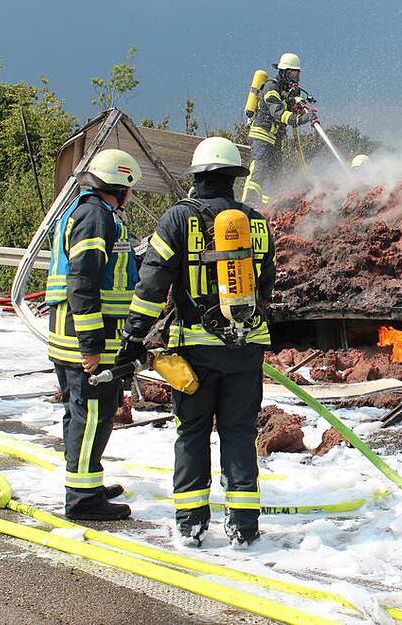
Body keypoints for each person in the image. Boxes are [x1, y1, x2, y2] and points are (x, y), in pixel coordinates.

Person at [117, 136, 276, 547]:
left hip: (196, 350)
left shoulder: (176, 219)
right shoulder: (256, 222)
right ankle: (244, 524)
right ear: (233, 179)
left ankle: (191, 522)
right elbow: (267, 285)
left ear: (198, 177)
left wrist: (134, 338)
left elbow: (152, 283)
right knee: (240, 432)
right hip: (247, 347)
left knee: (192, 432)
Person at [43, 148, 142, 520]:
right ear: (120, 184)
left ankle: (86, 482)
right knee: (92, 415)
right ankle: (83, 501)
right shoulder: (95, 216)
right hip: (83, 337)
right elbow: (82, 280)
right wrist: (92, 346)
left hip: (73, 334)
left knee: (84, 413)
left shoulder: (89, 213)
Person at [242, 52, 317, 206]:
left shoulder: (290, 91)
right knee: (259, 169)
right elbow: (277, 112)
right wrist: (299, 119)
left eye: (296, 74)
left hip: (276, 139)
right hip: (262, 135)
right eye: (291, 73)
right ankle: (248, 204)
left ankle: (269, 208)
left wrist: (298, 107)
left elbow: (290, 108)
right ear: (282, 72)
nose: (294, 77)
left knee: (276, 175)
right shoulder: (271, 86)